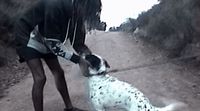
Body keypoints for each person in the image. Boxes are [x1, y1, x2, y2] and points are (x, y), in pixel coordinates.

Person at [14, 0, 102, 111]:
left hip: (46, 39)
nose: (86, 15)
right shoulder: (55, 4)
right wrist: (78, 60)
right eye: (87, 11)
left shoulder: (77, 15)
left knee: (59, 73)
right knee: (40, 78)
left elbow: (78, 44)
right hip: (27, 36)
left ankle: (69, 108)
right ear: (82, 4)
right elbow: (53, 44)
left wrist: (89, 59)